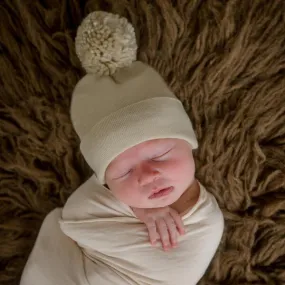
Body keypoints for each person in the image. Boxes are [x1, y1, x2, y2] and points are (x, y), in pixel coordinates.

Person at [20, 11, 224, 285]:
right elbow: (73, 217)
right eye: (125, 172)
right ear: (106, 184)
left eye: (160, 155)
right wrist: (140, 210)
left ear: (188, 143)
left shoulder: (207, 222)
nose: (148, 175)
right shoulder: (105, 203)